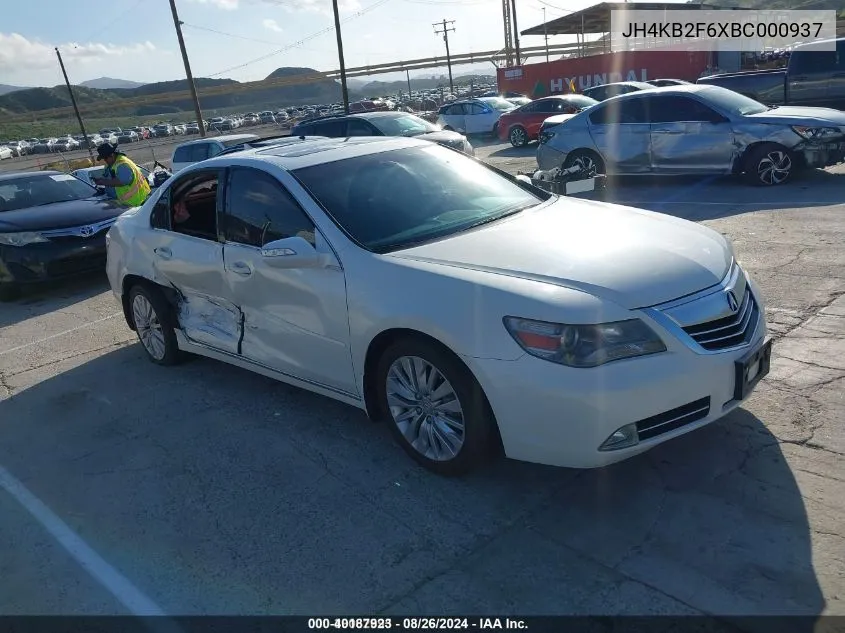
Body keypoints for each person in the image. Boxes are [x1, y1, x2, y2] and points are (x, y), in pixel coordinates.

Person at [92, 143, 151, 207]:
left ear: (112, 155)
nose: (105, 160)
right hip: (127, 204)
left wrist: (103, 182)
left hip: (135, 203)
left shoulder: (122, 165)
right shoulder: (113, 164)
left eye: (105, 158)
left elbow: (122, 181)